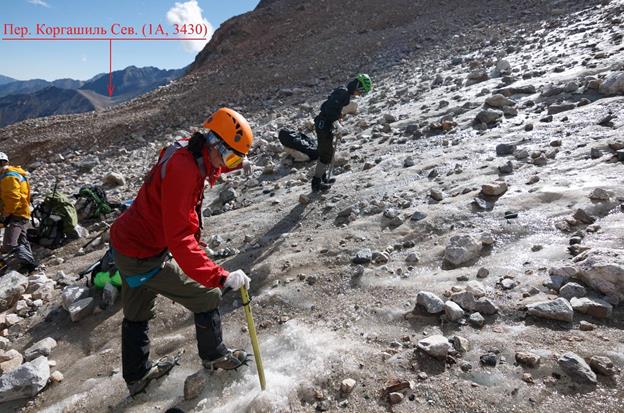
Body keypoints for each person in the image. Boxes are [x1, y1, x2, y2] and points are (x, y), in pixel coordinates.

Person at [110, 108, 254, 396]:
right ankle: (214, 357)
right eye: (231, 156)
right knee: (207, 295)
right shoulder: (184, 172)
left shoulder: (190, 149)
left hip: (128, 243)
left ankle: (137, 378)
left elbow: (211, 162)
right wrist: (220, 276)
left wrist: (235, 165)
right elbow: (180, 239)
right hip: (144, 254)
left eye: (236, 158)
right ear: (214, 143)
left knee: (137, 311)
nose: (230, 163)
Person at [311, 73, 372, 192]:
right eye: (360, 91)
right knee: (325, 154)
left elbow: (334, 108)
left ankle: (323, 178)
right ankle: (316, 183)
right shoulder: (343, 93)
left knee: (327, 152)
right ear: (357, 87)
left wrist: (337, 120)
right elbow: (328, 109)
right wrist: (336, 124)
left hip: (325, 125)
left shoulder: (344, 94)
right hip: (323, 125)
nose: (359, 95)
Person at [0, 152, 37, 272]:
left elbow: (12, 197)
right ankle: (29, 267)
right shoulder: (14, 174)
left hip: (16, 214)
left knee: (10, 244)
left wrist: (6, 213)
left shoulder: (8, 176)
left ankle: (30, 265)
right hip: (21, 212)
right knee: (22, 241)